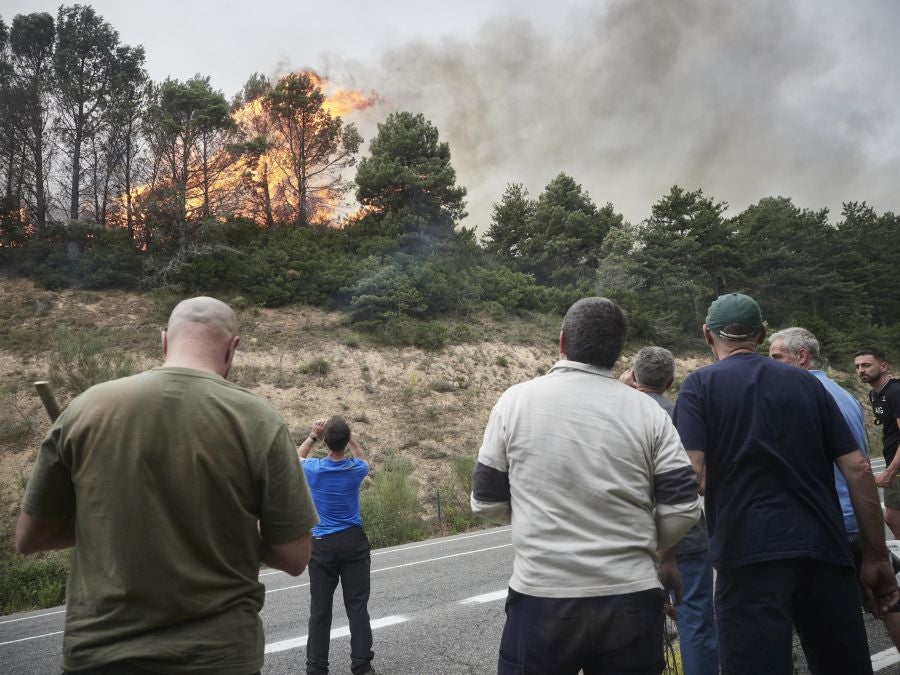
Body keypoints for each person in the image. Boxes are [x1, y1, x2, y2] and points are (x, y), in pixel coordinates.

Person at [16, 296, 318, 675]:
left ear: (163, 341)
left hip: (99, 654)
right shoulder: (259, 420)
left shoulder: (85, 409)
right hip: (219, 657)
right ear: (232, 347)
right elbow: (293, 557)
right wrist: (221, 533)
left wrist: (114, 521)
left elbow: (30, 538)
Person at [471, 297, 701, 675]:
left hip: (542, 598)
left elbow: (485, 501)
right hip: (631, 598)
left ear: (562, 342)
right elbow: (683, 507)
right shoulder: (647, 411)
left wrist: (532, 510)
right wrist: (644, 542)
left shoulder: (515, 402)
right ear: (616, 353)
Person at [673, 292, 898, 675]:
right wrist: (876, 556)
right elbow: (859, 469)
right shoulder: (808, 384)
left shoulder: (699, 387)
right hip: (824, 552)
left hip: (747, 557)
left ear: (707, 336)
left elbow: (690, 476)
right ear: (761, 334)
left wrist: (665, 554)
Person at [770, 327, 900, 649]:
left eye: (776, 358)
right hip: (854, 516)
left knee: (835, 619)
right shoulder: (843, 393)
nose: (770, 365)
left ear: (801, 357)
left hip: (832, 521)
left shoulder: (801, 395)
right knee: (885, 599)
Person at [631, 347, 718, 675]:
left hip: (636, 536)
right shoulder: (683, 415)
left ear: (635, 376)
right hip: (687, 534)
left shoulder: (618, 413)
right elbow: (700, 481)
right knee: (694, 619)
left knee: (638, 624)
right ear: (670, 380)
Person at [297, 416, 375, 675]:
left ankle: (316, 668)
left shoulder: (314, 469)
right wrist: (350, 436)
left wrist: (312, 435)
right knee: (357, 607)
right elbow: (363, 458)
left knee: (320, 611)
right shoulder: (355, 469)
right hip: (353, 541)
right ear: (345, 441)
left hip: (321, 545)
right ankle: (362, 667)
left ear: (326, 442)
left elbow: (293, 459)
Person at [854, 347, 900, 539]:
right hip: (892, 461)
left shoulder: (895, 391)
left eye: (866, 365)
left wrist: (890, 471)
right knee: (893, 519)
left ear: (883, 366)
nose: (860, 370)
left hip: (897, 467)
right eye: (857, 366)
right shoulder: (874, 395)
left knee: (894, 520)